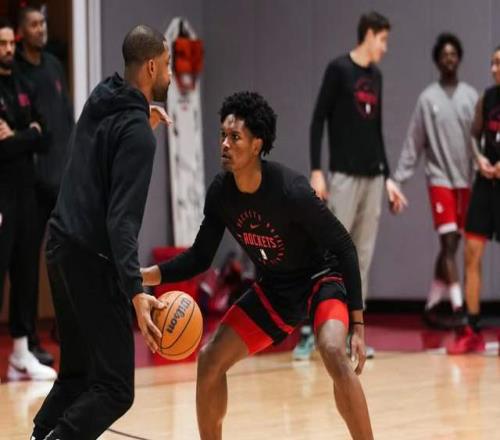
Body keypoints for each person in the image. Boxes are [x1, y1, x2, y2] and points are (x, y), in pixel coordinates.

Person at [142, 91, 374, 440]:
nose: (225, 143)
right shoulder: (221, 193)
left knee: (331, 350)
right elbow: (200, 257)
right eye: (223, 134)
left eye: (235, 137)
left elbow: (344, 245)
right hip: (276, 288)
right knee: (209, 360)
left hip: (320, 280)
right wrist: (145, 275)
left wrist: (357, 323)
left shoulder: (291, 190)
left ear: (256, 145)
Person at [31, 25, 171, 440]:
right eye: (166, 65)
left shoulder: (102, 96)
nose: (169, 73)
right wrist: (135, 292)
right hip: (91, 260)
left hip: (59, 246)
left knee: (77, 375)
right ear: (151, 66)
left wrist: (140, 123)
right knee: (115, 387)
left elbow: (107, 145)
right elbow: (121, 221)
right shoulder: (138, 137)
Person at [297, 11, 406, 360]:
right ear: (369, 34)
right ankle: (311, 331)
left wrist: (388, 177)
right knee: (331, 254)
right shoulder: (339, 70)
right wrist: (316, 170)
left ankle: (353, 337)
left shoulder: (377, 77)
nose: (385, 47)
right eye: (383, 40)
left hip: (373, 178)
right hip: (343, 176)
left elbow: (377, 131)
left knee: (361, 259)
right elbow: (317, 120)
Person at [392, 33, 478, 328]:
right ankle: (458, 308)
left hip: (465, 181)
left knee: (451, 247)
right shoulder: (427, 99)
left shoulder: (471, 97)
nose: (449, 59)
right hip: (439, 179)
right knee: (448, 241)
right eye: (444, 55)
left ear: (459, 58)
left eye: (453, 54)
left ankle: (430, 306)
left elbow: (479, 141)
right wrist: (398, 180)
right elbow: (413, 142)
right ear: (437, 61)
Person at [15, 5, 75, 366]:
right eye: (35, 24)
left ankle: (66, 328)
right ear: (22, 32)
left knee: (69, 256)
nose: (42, 29)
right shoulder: (17, 71)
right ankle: (28, 339)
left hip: (62, 180)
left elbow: (65, 117)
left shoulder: (54, 65)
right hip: (33, 184)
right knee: (26, 263)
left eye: (43, 23)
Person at [0, 17, 56, 382]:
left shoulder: (23, 83)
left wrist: (18, 135)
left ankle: (21, 354)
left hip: (26, 192)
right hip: (1, 195)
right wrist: (29, 134)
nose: (7, 49)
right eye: (1, 44)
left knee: (25, 271)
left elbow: (45, 134)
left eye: (10, 43)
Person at [447, 46, 500, 355]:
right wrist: (479, 159)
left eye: (499, 63)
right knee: (471, 252)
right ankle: (472, 327)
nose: (494, 68)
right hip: (485, 183)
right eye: (492, 62)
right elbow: (473, 135)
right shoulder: (487, 97)